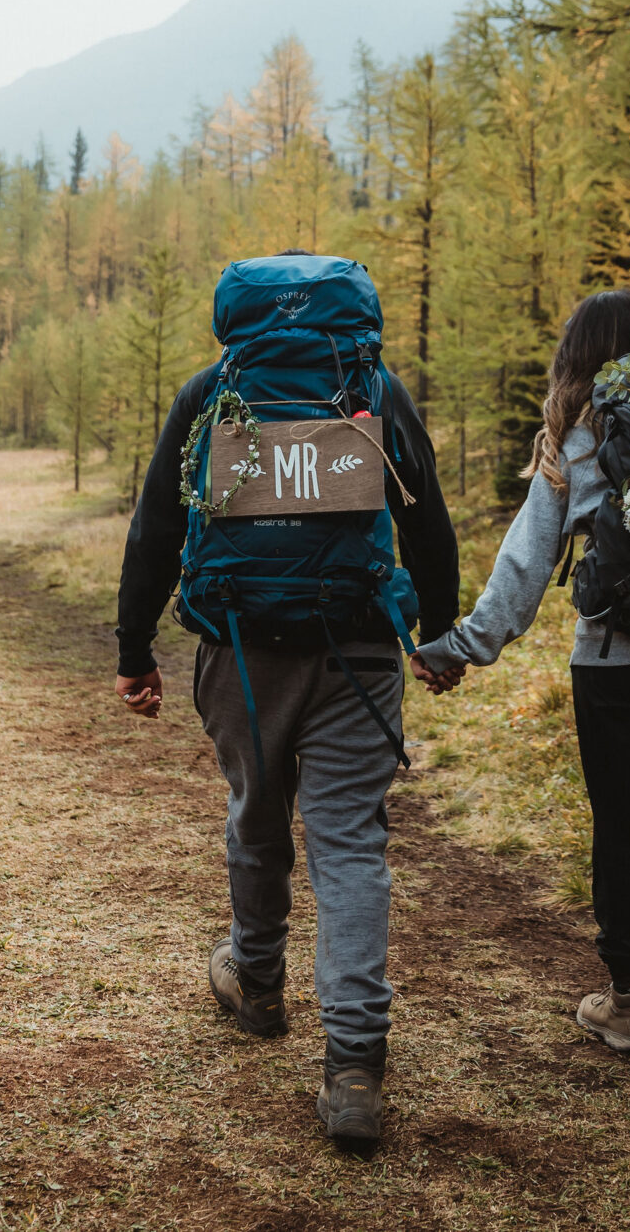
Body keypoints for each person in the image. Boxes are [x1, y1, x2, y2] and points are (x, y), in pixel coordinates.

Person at [114, 257, 457, 1154]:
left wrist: (133, 649)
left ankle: (258, 983)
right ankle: (352, 1063)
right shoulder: (370, 386)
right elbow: (427, 518)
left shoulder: (214, 391)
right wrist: (439, 630)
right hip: (359, 650)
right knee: (349, 842)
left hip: (240, 648)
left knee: (257, 817)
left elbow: (156, 521)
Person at [411, 289, 630, 1052]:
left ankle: (629, 1001)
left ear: (578, 354)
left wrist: (459, 647)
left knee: (620, 819)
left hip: (611, 656)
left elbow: (528, 560)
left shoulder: (580, 433)